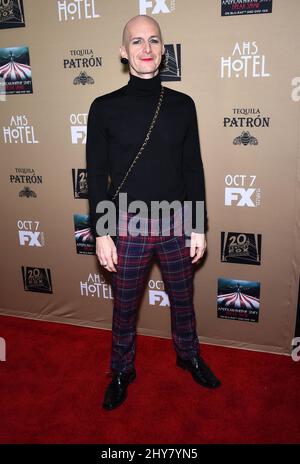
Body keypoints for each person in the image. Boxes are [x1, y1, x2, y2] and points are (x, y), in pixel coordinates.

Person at [86, 14, 221, 411]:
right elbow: (96, 176)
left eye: (154, 41)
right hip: (126, 223)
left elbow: (192, 167)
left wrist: (197, 226)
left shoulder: (183, 106)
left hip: (177, 220)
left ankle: (188, 354)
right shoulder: (104, 108)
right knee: (125, 306)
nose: (146, 48)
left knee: (183, 298)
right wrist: (103, 232)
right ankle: (122, 369)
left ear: (163, 51)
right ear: (123, 51)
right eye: (137, 41)